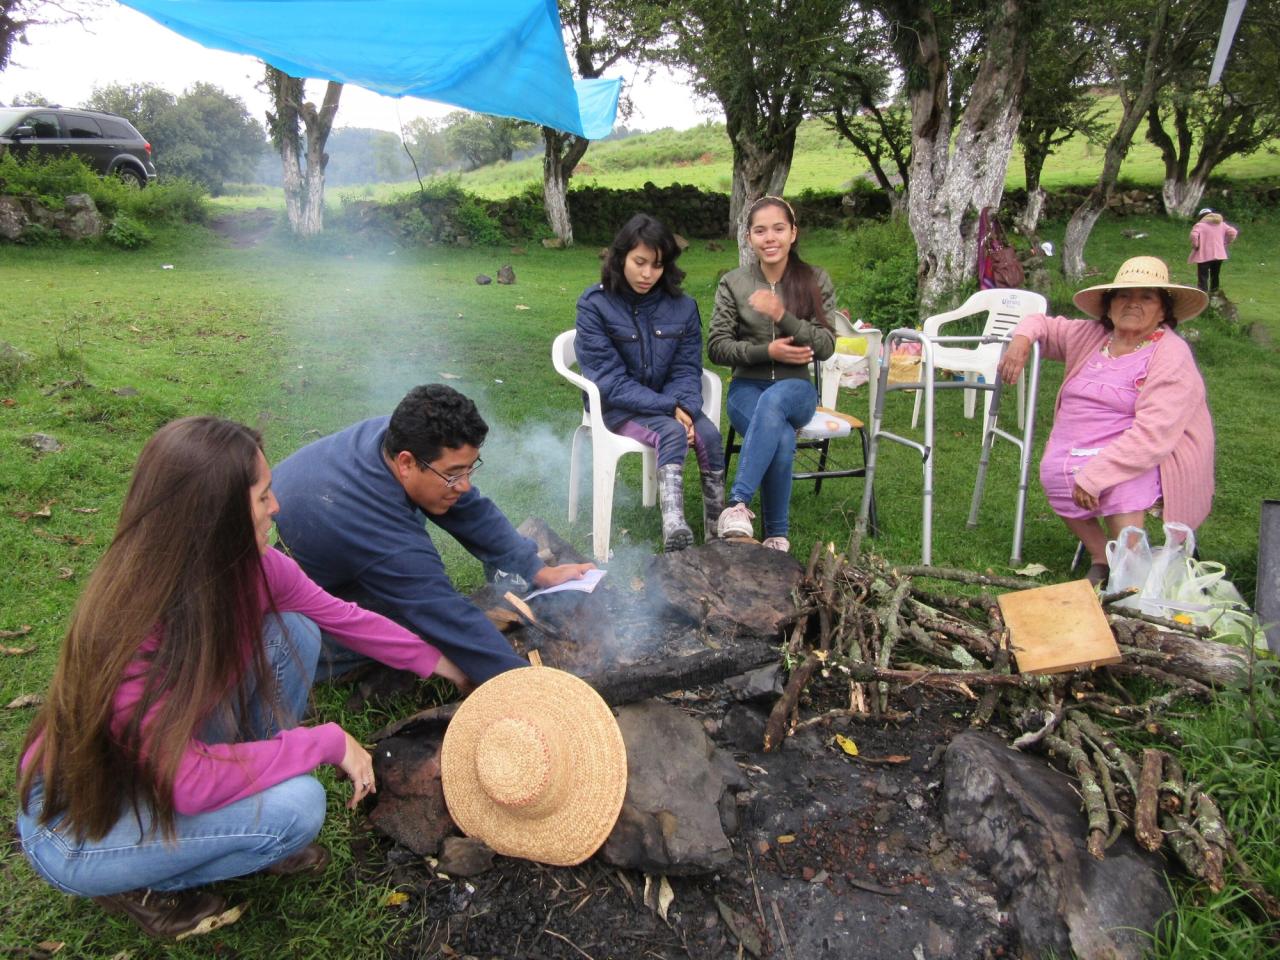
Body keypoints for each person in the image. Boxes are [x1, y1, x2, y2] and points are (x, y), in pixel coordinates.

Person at [16, 417, 468, 941]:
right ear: (216, 516)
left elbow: (345, 618)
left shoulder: (250, 568)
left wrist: (445, 663)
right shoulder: (132, 627)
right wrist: (318, 742)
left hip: (157, 765)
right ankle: (132, 882)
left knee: (295, 630)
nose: (277, 507)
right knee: (297, 809)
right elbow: (186, 783)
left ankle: (237, 811)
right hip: (84, 822)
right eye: (263, 496)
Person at [272, 384, 594, 685]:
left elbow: (469, 508)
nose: (465, 484)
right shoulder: (375, 524)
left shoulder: (401, 438)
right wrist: (518, 684)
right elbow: (441, 609)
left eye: (469, 468)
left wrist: (536, 568)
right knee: (414, 625)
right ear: (406, 464)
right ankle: (298, 658)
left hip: (325, 545)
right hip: (281, 604)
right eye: (454, 474)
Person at [998, 256, 1214, 586]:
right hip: (1076, 446)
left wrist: (1097, 474)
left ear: (1163, 310)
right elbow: (1041, 323)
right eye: (1124, 295)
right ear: (1109, 304)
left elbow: (1153, 435)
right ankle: (1102, 555)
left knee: (1121, 483)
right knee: (1055, 471)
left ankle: (1131, 570)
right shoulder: (1093, 335)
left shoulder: (1171, 354)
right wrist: (1021, 340)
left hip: (1142, 449)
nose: (1133, 304)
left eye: (1146, 297)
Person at [575, 214, 725, 550]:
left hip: (670, 402)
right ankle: (674, 526)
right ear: (620, 257)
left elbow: (687, 369)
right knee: (670, 431)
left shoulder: (682, 306)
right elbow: (608, 380)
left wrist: (683, 406)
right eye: (639, 262)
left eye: (657, 265)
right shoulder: (594, 304)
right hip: (617, 406)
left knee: (711, 436)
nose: (647, 274)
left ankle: (718, 532)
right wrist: (670, 409)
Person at [706, 195, 838, 552]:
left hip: (797, 390)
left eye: (778, 229)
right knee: (779, 434)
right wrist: (766, 351)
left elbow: (825, 345)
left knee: (777, 399)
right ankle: (777, 536)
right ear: (749, 237)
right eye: (760, 230)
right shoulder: (733, 283)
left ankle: (736, 504)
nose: (770, 238)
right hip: (746, 388)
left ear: (793, 233)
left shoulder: (815, 280)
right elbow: (717, 347)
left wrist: (784, 316)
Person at [1188, 208, 1238, 294]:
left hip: (1204, 255)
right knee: (1215, 275)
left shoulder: (1200, 225)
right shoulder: (1221, 224)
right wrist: (1226, 242)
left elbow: (1193, 235)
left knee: (1203, 276)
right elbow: (1233, 232)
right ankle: (1215, 293)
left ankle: (1203, 294)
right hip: (1219, 254)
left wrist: (1196, 245)